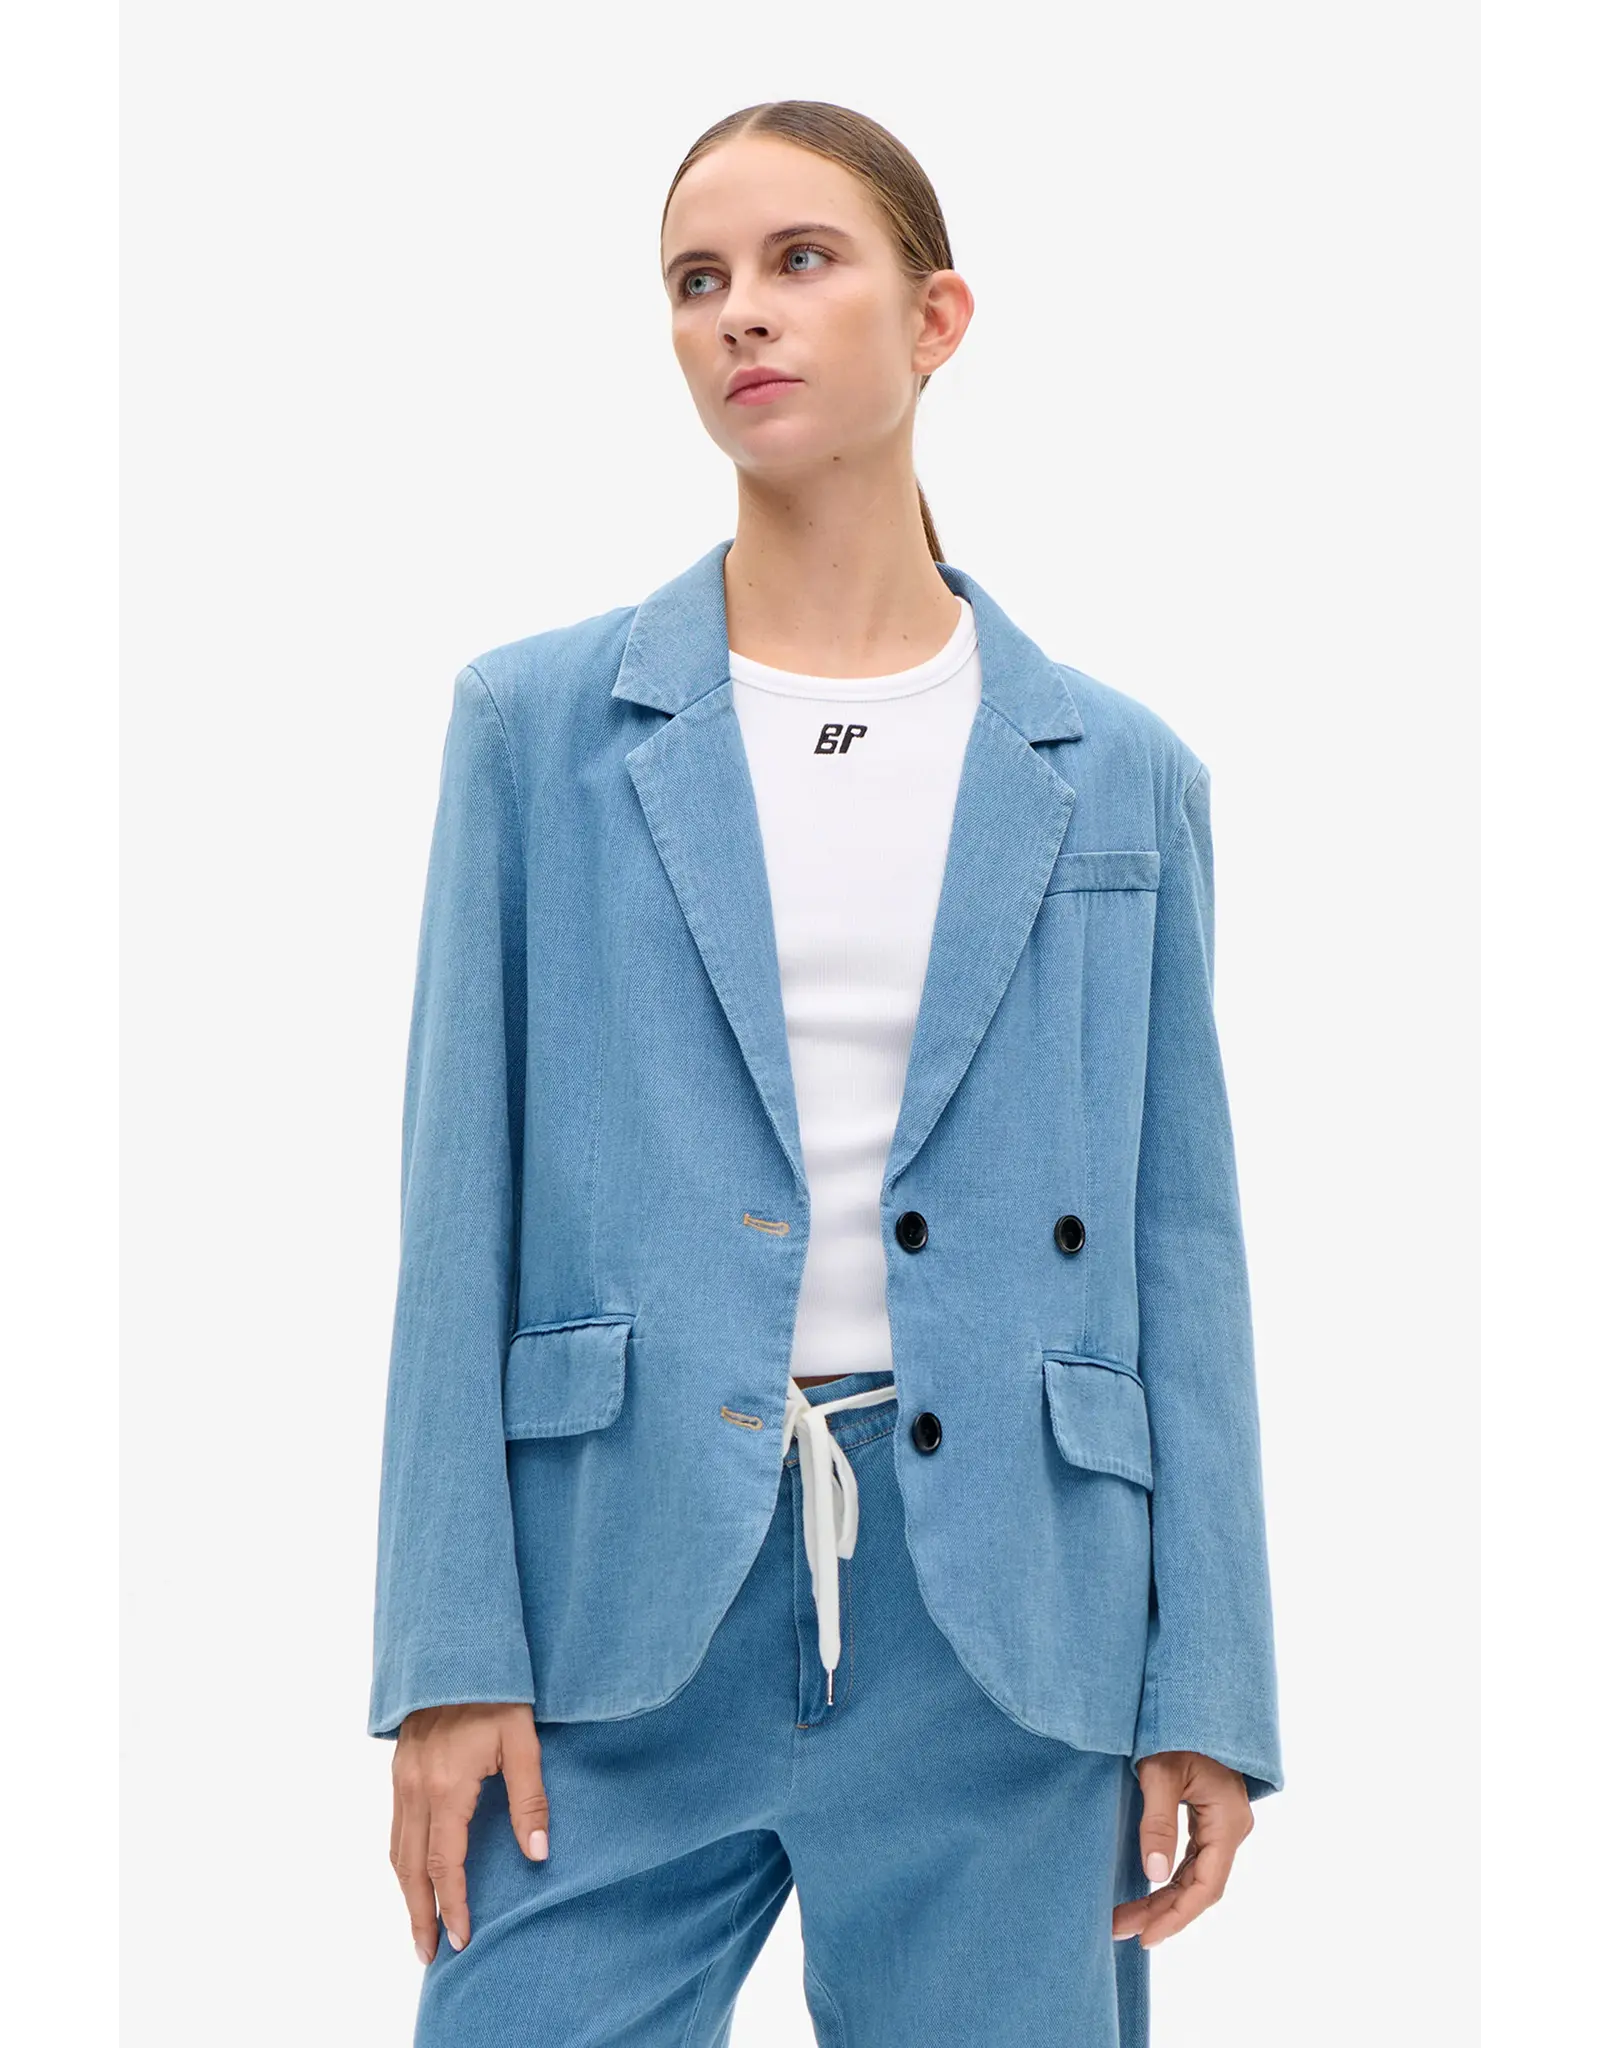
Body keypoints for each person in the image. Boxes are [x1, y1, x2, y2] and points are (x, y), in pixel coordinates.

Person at [369, 98, 1282, 2048]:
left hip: (1009, 1612)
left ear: (936, 317)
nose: (740, 314)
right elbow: (457, 1203)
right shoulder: (535, 727)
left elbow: (1180, 1237)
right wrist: (445, 1650)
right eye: (695, 279)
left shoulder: (1116, 770)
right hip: (614, 1593)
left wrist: (1208, 1672)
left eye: (801, 261)